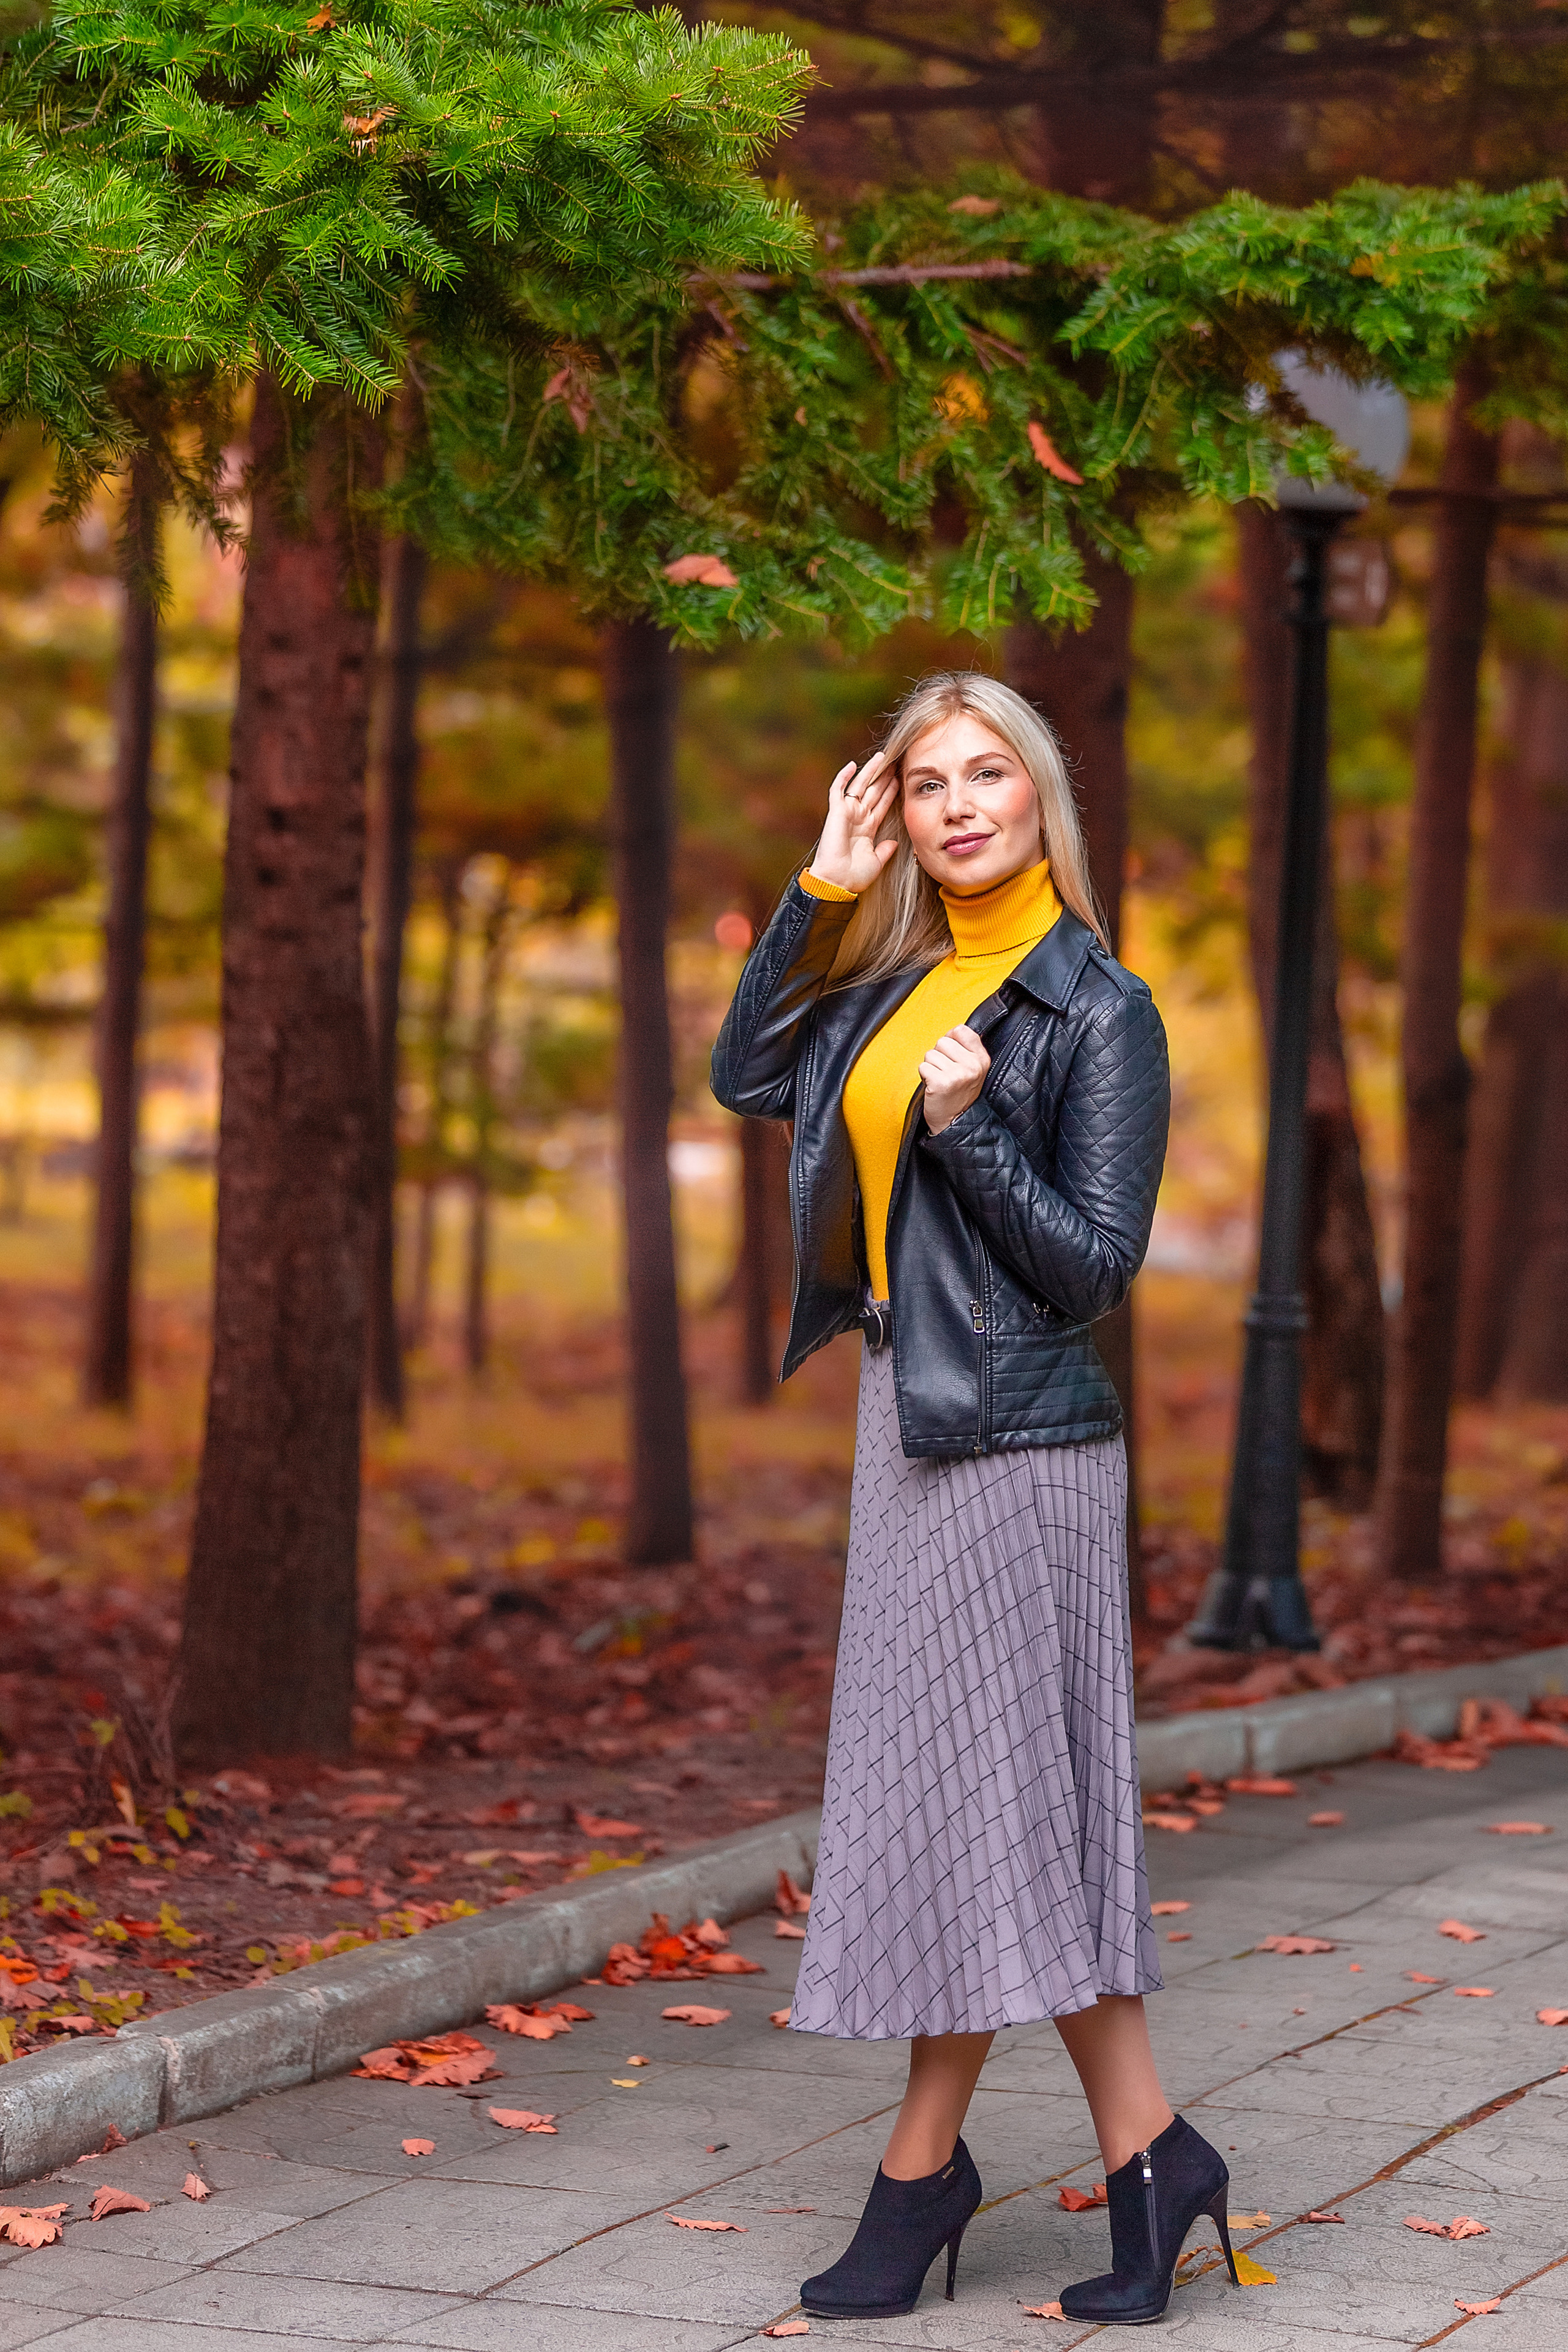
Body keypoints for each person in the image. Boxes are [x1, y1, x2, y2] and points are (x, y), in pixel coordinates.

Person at [710, 673, 1240, 2327]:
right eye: (926, 780)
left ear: (1039, 801)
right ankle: (1152, 2158)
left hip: (1024, 1447)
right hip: (908, 1420)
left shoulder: (1099, 1009)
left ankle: (925, 2177)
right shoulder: (893, 978)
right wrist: (816, 888)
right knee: (1001, 1813)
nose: (953, 804)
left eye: (985, 774)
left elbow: (1094, 1266)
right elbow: (746, 1075)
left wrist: (970, 1132)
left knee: (987, 1811)